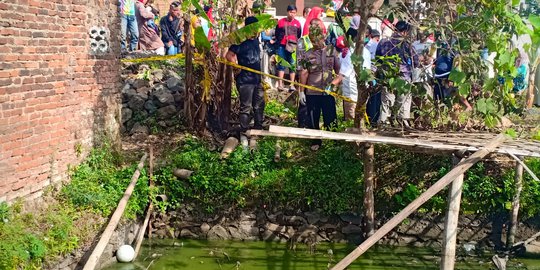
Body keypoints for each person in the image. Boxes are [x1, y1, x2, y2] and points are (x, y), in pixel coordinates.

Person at [297, 20, 341, 150]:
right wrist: (301, 91)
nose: (315, 43)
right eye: (312, 41)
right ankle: (315, 141)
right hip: (312, 92)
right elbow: (304, 74)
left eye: (317, 40)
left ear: (323, 37)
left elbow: (340, 73)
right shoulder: (308, 54)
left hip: (327, 91)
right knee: (313, 117)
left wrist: (333, 86)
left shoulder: (331, 51)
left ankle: (333, 140)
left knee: (330, 116)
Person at [225, 16, 265, 138]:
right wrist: (237, 68)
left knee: (259, 104)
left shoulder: (255, 40)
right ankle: (244, 130)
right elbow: (229, 55)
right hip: (245, 79)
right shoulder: (239, 40)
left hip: (257, 78)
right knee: (246, 106)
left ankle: (258, 128)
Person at [375, 20, 419, 128]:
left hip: (387, 76)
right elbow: (416, 62)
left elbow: (377, 59)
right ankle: (403, 122)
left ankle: (383, 124)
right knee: (404, 100)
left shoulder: (383, 42)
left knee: (386, 102)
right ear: (405, 32)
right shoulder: (407, 45)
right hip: (404, 76)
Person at [336, 36, 371, 121]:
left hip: (351, 90)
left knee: (351, 116)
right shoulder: (366, 51)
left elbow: (343, 73)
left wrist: (332, 84)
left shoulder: (350, 52)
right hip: (362, 89)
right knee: (360, 115)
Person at [275, 5, 301, 92]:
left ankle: (292, 84)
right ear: (287, 12)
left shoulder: (297, 23)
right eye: (290, 12)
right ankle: (280, 84)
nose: (292, 14)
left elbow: (299, 34)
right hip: (282, 46)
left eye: (294, 12)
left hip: (293, 47)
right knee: (281, 64)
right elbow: (276, 33)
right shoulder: (281, 22)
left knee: (292, 65)